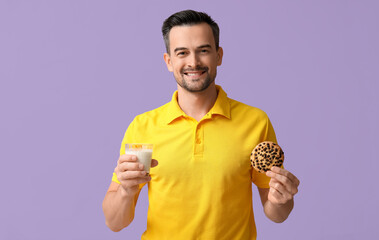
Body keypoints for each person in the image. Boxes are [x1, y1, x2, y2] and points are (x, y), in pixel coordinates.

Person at [102, 10, 300, 239]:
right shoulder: (143, 126)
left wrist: (281, 199)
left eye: (203, 51)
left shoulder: (255, 122)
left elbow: (276, 213)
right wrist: (126, 191)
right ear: (169, 61)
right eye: (182, 53)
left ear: (219, 56)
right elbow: (115, 222)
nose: (193, 62)